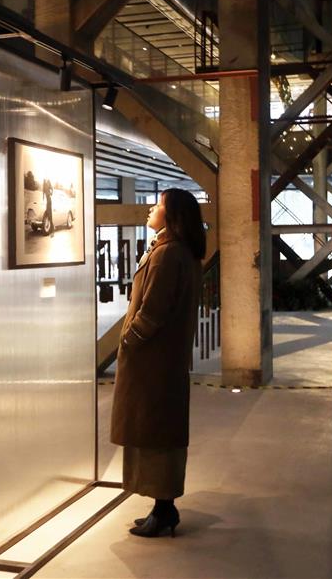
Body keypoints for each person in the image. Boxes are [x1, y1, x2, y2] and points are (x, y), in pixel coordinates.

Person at [110, 188, 206, 538]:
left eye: (159, 204)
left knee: (155, 434)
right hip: (160, 360)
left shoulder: (168, 255)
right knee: (154, 432)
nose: (151, 208)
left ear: (172, 215)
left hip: (153, 361)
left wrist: (129, 339)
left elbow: (152, 311)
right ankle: (160, 506)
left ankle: (164, 508)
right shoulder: (177, 251)